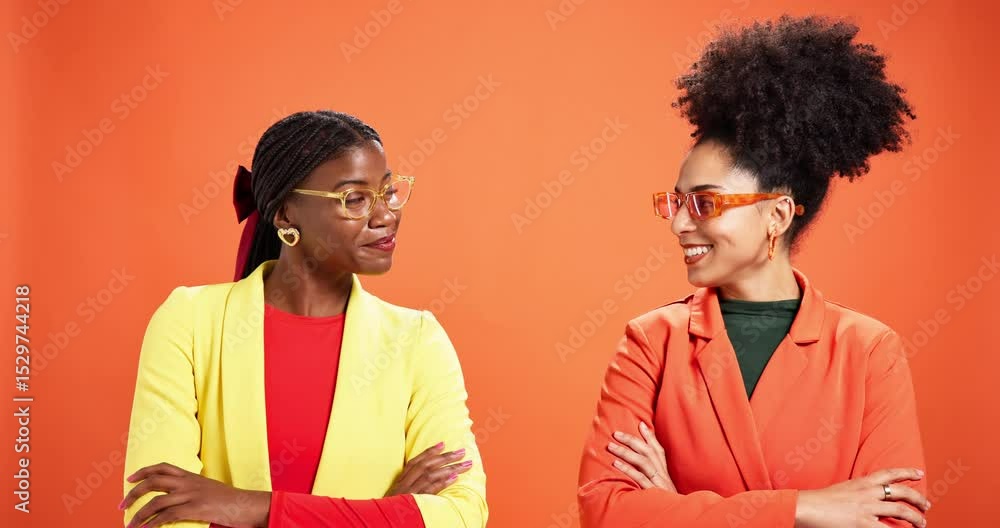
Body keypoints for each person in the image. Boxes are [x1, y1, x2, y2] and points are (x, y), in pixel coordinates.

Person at [578, 15, 929, 528]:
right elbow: (606, 512)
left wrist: (675, 508)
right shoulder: (652, 342)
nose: (678, 223)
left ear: (778, 215)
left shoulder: (869, 350)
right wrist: (807, 508)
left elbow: (895, 521)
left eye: (704, 203)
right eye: (676, 202)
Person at [121, 110, 487, 528]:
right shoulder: (188, 322)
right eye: (355, 199)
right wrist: (383, 512)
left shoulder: (418, 341)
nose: (386, 215)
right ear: (285, 214)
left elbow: (461, 514)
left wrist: (251, 507)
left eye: (387, 192)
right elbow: (156, 512)